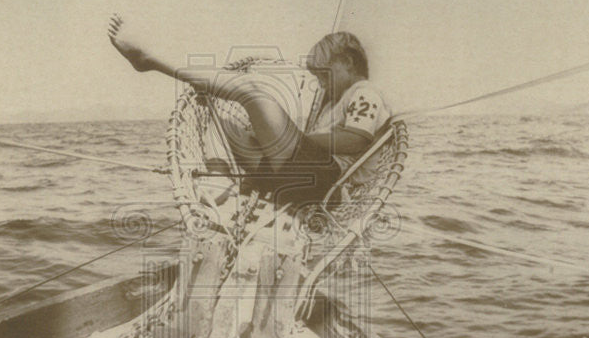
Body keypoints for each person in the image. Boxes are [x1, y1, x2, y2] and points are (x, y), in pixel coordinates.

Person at [108, 14, 390, 204]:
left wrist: (284, 138)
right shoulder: (333, 100)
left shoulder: (365, 92)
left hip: (328, 186)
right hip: (299, 179)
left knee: (254, 93)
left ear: (348, 63)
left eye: (324, 75)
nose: (321, 84)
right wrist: (274, 138)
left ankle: (151, 61)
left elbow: (356, 139)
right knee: (217, 114)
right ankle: (219, 180)